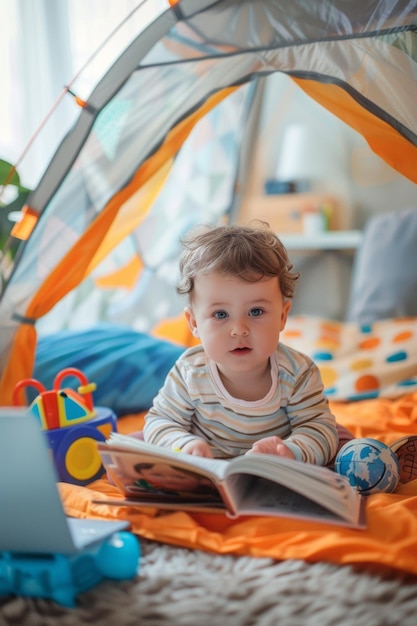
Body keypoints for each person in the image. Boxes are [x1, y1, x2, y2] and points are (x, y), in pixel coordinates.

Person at [143, 222, 349, 465]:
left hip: (272, 469)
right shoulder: (190, 372)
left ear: (282, 316)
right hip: (208, 466)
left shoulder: (297, 372)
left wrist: (289, 451)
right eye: (220, 315)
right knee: (140, 443)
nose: (239, 329)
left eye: (256, 311)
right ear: (194, 322)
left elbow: (315, 428)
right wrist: (184, 444)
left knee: (338, 439)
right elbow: (161, 421)